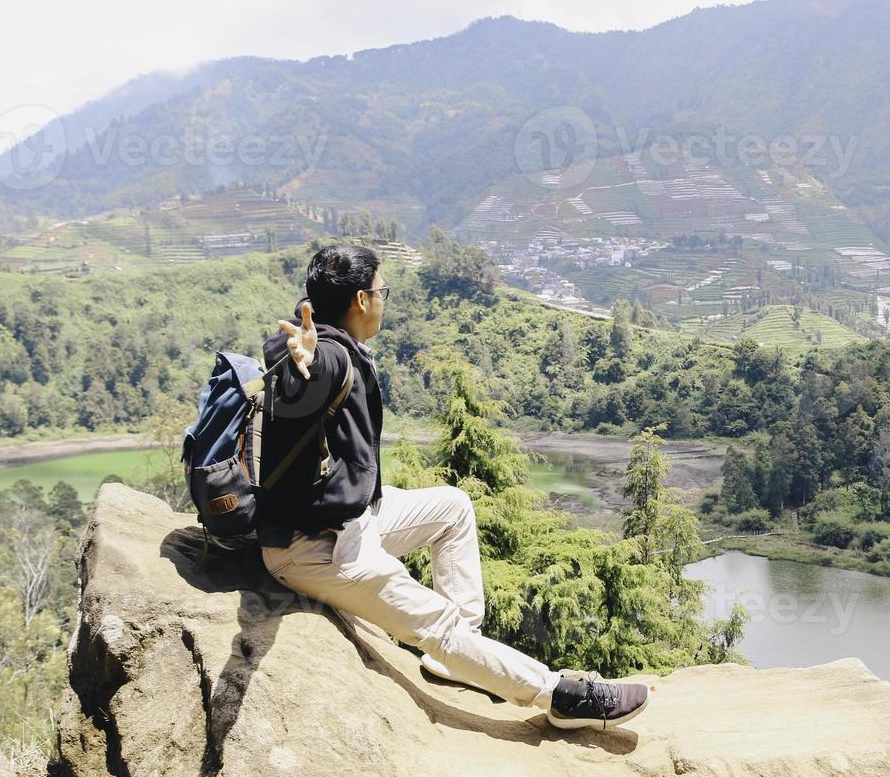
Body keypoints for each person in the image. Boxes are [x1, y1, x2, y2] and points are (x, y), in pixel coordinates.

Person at [256, 243, 649, 730]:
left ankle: (457, 654)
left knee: (453, 507)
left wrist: (304, 351)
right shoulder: (322, 354)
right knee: (434, 622)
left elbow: (303, 351)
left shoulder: (319, 337)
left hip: (355, 518)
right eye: (382, 291)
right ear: (360, 300)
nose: (384, 300)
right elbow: (311, 371)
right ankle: (560, 697)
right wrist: (305, 366)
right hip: (318, 549)